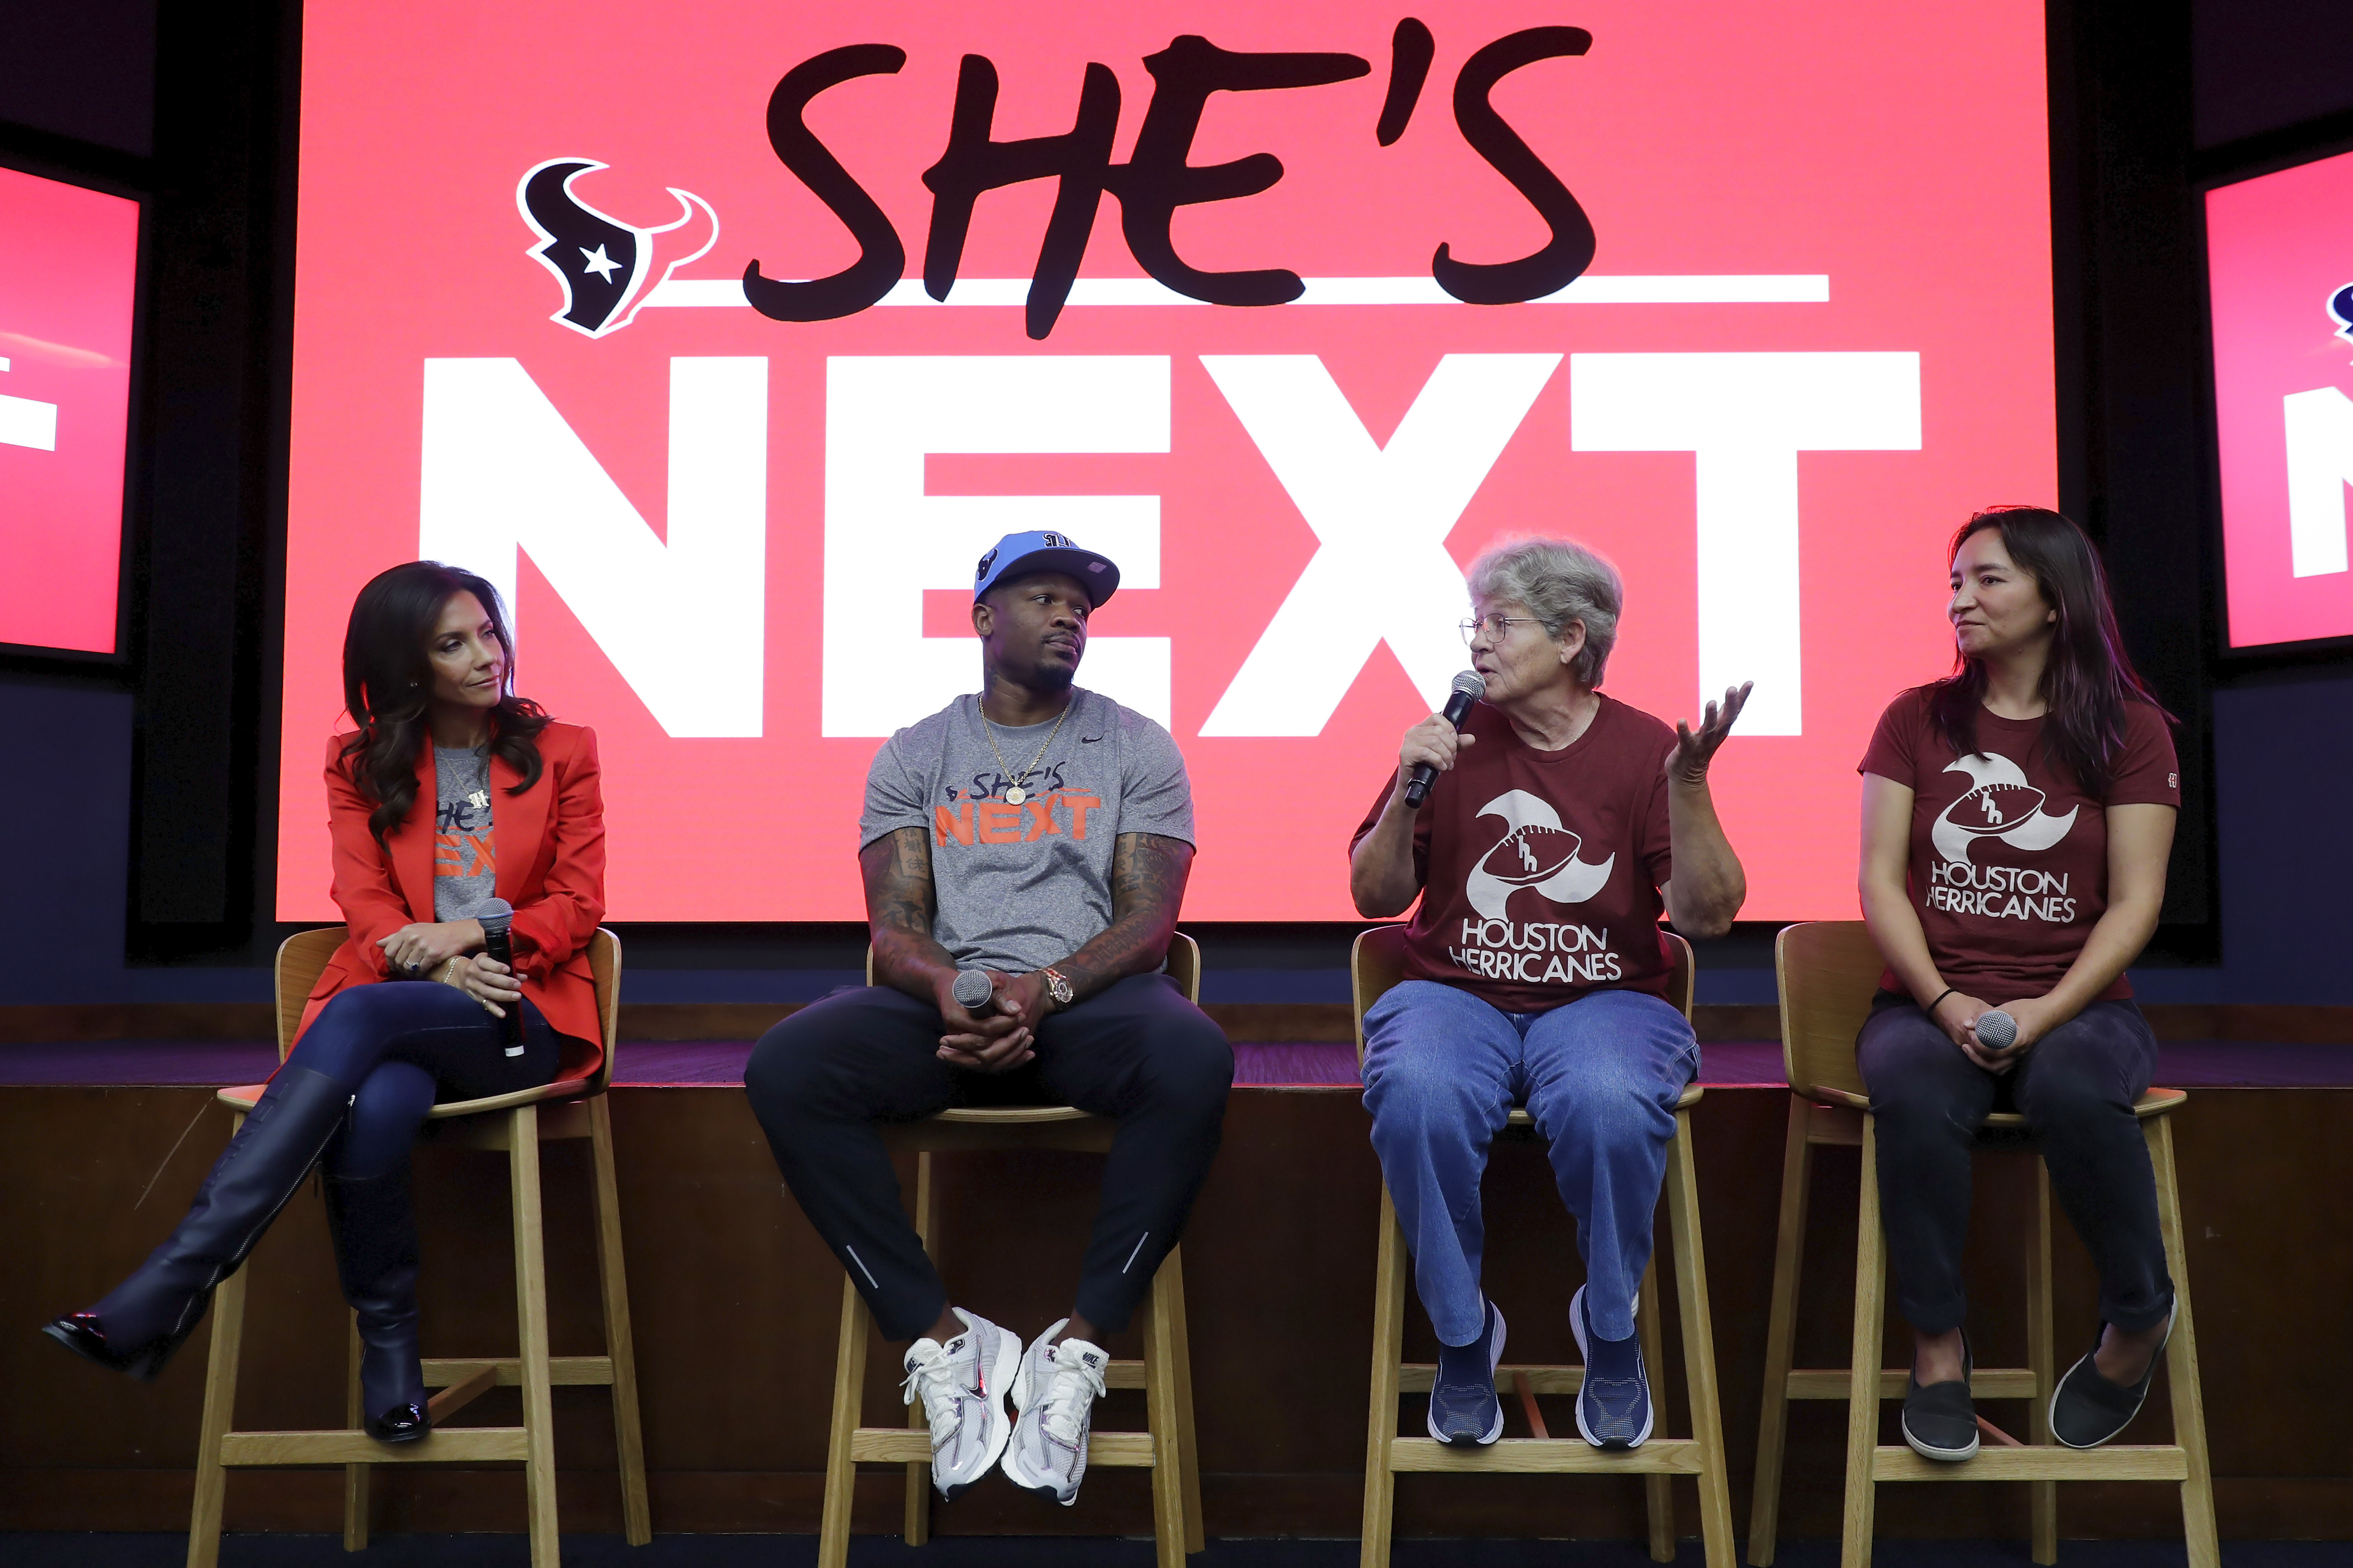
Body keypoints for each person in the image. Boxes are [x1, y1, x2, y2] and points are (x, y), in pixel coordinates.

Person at [45, 562, 606, 1445]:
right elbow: (366, 903)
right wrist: (424, 971)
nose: (484, 658)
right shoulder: (357, 762)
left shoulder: (564, 749)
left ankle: (171, 1282)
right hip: (399, 1008)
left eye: (488, 633)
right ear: (406, 668)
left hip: (514, 1014)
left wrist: (466, 940)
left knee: (356, 1019)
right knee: (376, 1104)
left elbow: (577, 907)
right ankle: (390, 1353)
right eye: (452, 645)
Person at [743, 530, 1232, 1508]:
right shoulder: (917, 753)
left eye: (1081, 606)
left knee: (1195, 1054)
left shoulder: (1135, 744)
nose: (1069, 616)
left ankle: (1078, 1349)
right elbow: (896, 926)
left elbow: (1148, 922)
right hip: (950, 1012)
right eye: (1044, 597)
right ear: (982, 618)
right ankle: (941, 1342)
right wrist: (955, 992)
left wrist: (1042, 990)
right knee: (786, 1067)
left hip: (1085, 1006)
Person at [1348, 535, 1749, 1451]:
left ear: (1572, 639)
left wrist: (1688, 787)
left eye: (1501, 623)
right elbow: (1374, 899)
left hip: (1605, 1001)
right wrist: (1409, 792)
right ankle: (1461, 1336)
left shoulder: (1648, 748)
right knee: (1417, 1094)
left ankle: (1610, 1330)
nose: (1478, 643)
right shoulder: (1450, 742)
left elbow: (1708, 916)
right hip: (1454, 994)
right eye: (1475, 623)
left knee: (1611, 1101)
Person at [1857, 506, 2180, 1463]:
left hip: (2078, 1006)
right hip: (1929, 1001)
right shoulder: (1915, 718)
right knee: (1912, 1091)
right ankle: (1937, 1351)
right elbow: (1879, 882)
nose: (1961, 599)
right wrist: (1946, 1002)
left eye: (1987, 579)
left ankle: (2136, 1323)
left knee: (2078, 1087)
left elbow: (2135, 905)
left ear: (2055, 598)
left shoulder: (2130, 728)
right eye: (1955, 582)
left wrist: (2044, 1011)